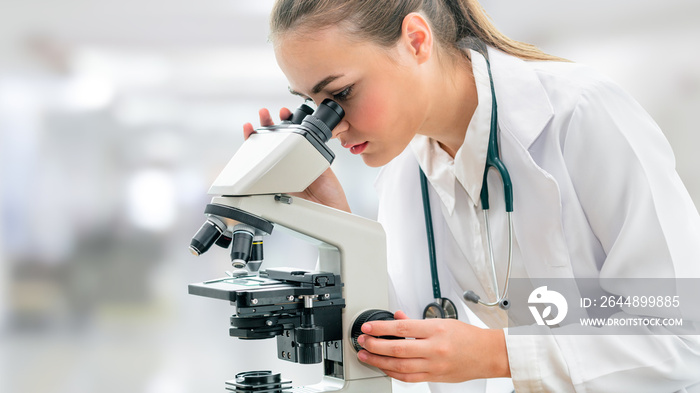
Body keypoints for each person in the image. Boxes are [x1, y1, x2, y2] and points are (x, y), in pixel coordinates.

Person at [242, 0, 700, 391]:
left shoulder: (581, 115)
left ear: (416, 40)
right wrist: (332, 222)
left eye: (341, 93)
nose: (333, 123)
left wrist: (496, 353)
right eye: (312, 103)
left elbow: (681, 339)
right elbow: (398, 338)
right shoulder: (406, 168)